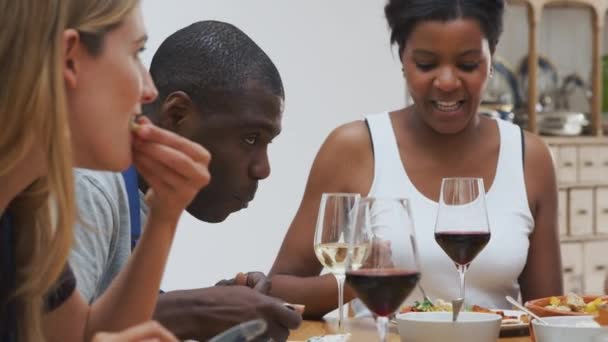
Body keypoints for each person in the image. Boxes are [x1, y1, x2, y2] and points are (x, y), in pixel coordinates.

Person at [268, 0, 563, 318]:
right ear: (404, 61)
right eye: (425, 64)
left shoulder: (529, 158)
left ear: (491, 59)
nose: (447, 82)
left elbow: (548, 314)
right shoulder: (354, 148)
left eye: (467, 64)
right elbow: (278, 291)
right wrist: (361, 280)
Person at [70, 20, 301, 341]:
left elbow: (102, 309)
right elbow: (51, 331)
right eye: (250, 139)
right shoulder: (89, 185)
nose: (263, 169)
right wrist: (195, 309)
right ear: (177, 114)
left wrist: (217, 305)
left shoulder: (141, 194)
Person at [0, 0, 210, 340]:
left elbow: (79, 334)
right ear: (69, 58)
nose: (149, 90)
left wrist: (165, 215)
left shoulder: (22, 211)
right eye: (136, 53)